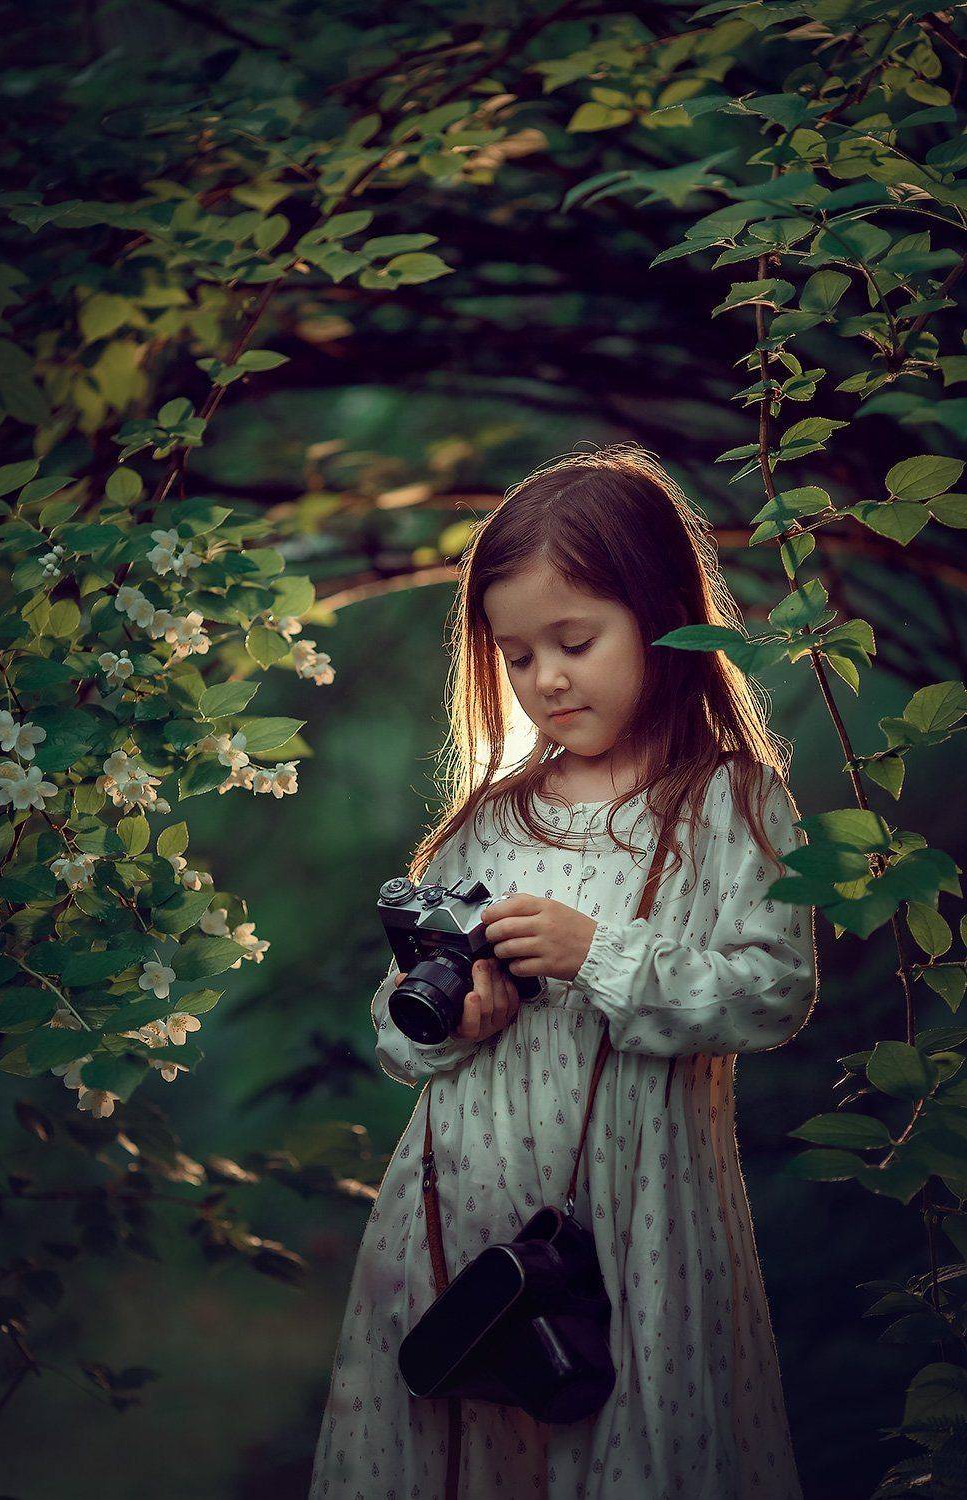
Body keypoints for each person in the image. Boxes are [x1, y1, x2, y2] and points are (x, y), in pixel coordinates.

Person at [308, 443, 819, 1499]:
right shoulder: (493, 820)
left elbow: (772, 992)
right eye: (518, 654)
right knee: (461, 1449)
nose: (545, 679)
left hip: (638, 1217)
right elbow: (395, 1024)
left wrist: (602, 956)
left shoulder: (729, 804)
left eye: (574, 641)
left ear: (661, 615)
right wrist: (452, 1020)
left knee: (624, 1438)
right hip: (460, 1212)